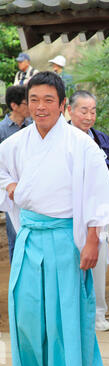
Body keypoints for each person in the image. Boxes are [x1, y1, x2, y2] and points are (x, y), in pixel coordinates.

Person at [0, 72, 109, 366]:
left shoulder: (81, 144)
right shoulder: (14, 144)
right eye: (34, 100)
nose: (40, 107)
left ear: (63, 105)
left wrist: (92, 241)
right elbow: (3, 175)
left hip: (67, 237)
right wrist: (12, 189)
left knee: (62, 315)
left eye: (48, 100)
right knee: (26, 312)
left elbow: (100, 194)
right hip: (29, 237)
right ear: (26, 104)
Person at [67, 90, 109, 331]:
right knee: (70, 262)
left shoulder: (100, 138)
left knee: (99, 261)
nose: (89, 116)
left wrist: (98, 170)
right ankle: (72, 316)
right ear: (69, 110)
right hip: (68, 210)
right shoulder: (61, 138)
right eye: (84, 110)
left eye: (92, 111)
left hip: (97, 207)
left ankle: (98, 314)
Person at [0, 85, 31, 263]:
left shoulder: (33, 127)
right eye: (27, 103)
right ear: (14, 105)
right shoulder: (2, 130)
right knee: (15, 238)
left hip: (32, 191)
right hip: (11, 193)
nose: (31, 107)